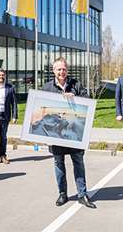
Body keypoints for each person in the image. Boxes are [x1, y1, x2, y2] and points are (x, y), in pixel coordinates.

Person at [42, 57, 96, 209]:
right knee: (59, 164)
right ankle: (62, 194)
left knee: (78, 162)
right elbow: (42, 110)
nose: (62, 72)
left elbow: (88, 101)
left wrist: (76, 98)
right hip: (56, 135)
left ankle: (82, 194)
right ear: (53, 71)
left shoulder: (76, 85)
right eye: (59, 69)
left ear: (67, 70)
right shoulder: (47, 88)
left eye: (64, 69)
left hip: (75, 133)